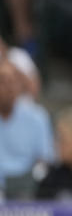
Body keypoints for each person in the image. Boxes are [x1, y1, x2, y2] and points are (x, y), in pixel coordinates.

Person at [0, 59, 55, 199]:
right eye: (2, 81)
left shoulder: (37, 116)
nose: (8, 87)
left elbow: (45, 158)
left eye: (12, 81)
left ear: (19, 85)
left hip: (27, 185)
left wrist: (34, 180)